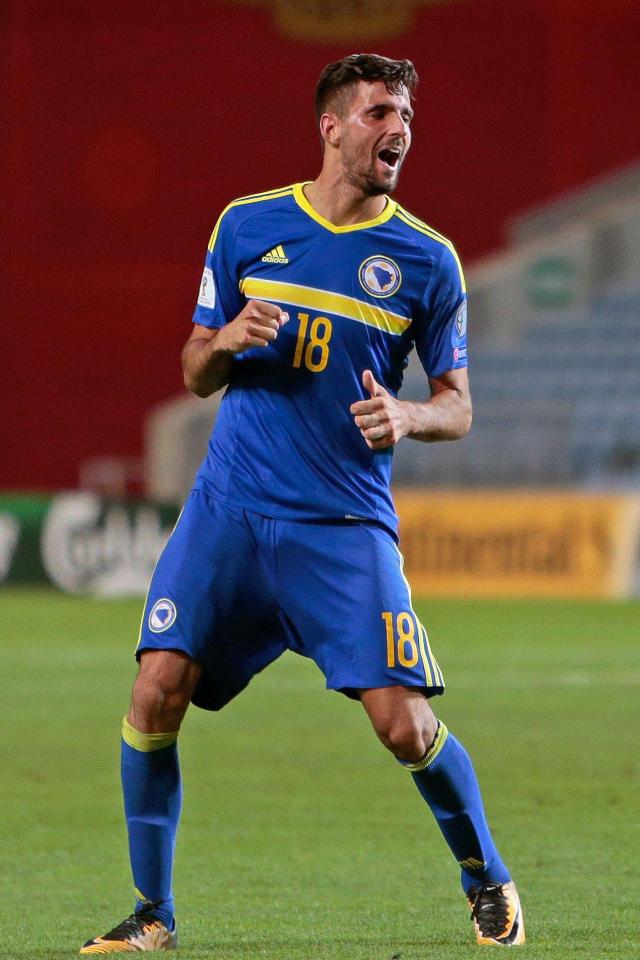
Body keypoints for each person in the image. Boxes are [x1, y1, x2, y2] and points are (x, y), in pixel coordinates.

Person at [80, 53, 524, 954]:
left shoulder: (426, 259)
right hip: (231, 511)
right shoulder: (248, 227)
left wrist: (409, 412)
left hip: (342, 526)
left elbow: (460, 404)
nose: (397, 129)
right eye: (378, 113)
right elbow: (194, 369)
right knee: (155, 689)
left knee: (404, 724)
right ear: (331, 126)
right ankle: (152, 917)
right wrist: (228, 338)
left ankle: (489, 881)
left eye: (405, 113)